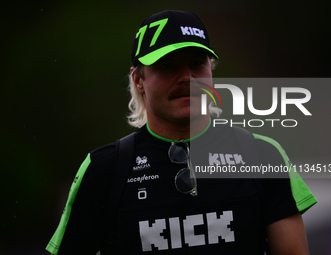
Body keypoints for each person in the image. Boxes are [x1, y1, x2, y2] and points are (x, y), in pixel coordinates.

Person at [46, 10, 317, 255]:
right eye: (167, 66)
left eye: (197, 63)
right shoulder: (103, 169)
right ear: (138, 80)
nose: (186, 76)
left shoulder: (262, 153)